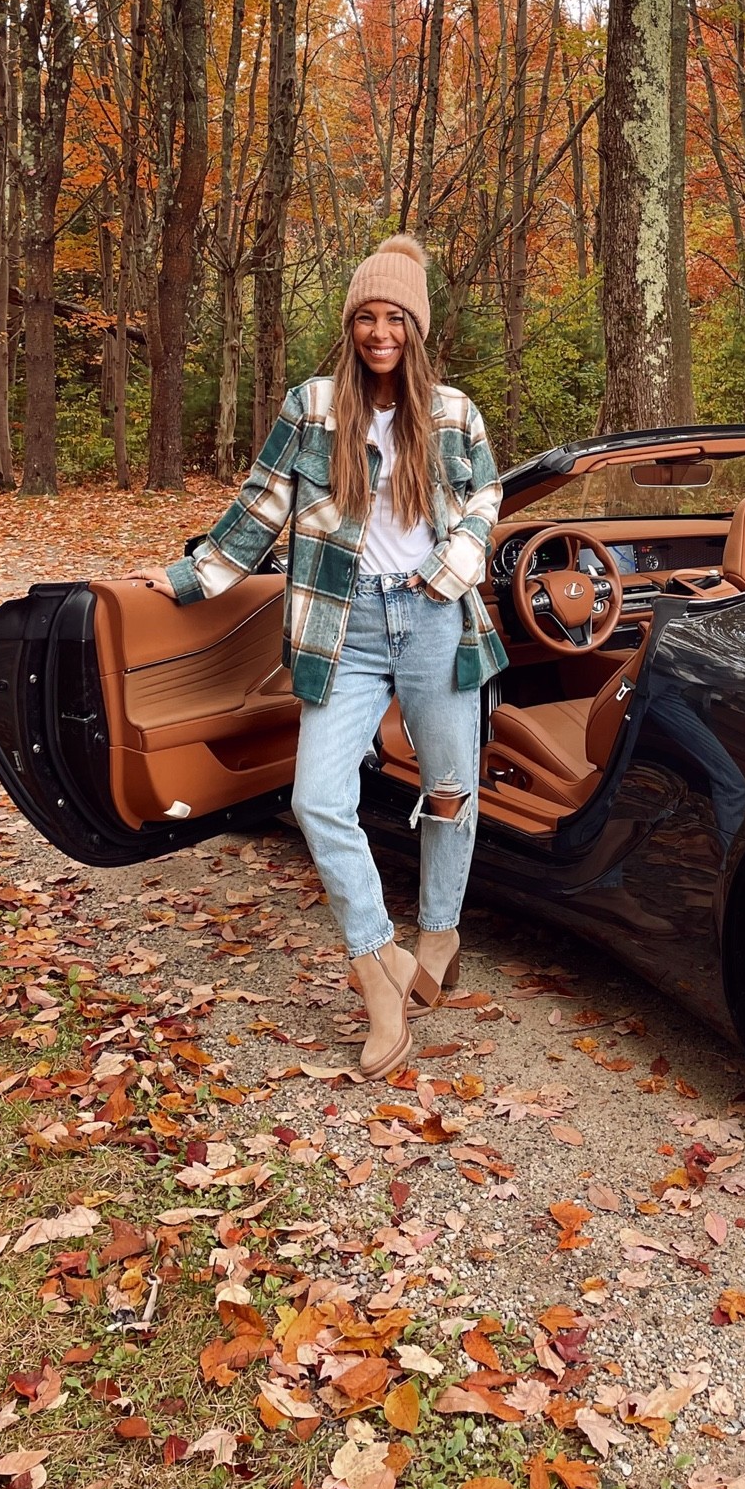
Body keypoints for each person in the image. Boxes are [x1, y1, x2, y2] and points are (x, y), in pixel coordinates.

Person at [128, 234, 506, 1079]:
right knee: (317, 800)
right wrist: (184, 578)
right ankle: (379, 971)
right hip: (344, 628)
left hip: (437, 616)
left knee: (449, 791)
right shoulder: (312, 406)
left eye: (395, 318)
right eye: (366, 317)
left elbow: (486, 493)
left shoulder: (452, 411)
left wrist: (458, 565)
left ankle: (438, 934)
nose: (380, 333)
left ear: (416, 325)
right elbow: (260, 507)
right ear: (350, 326)